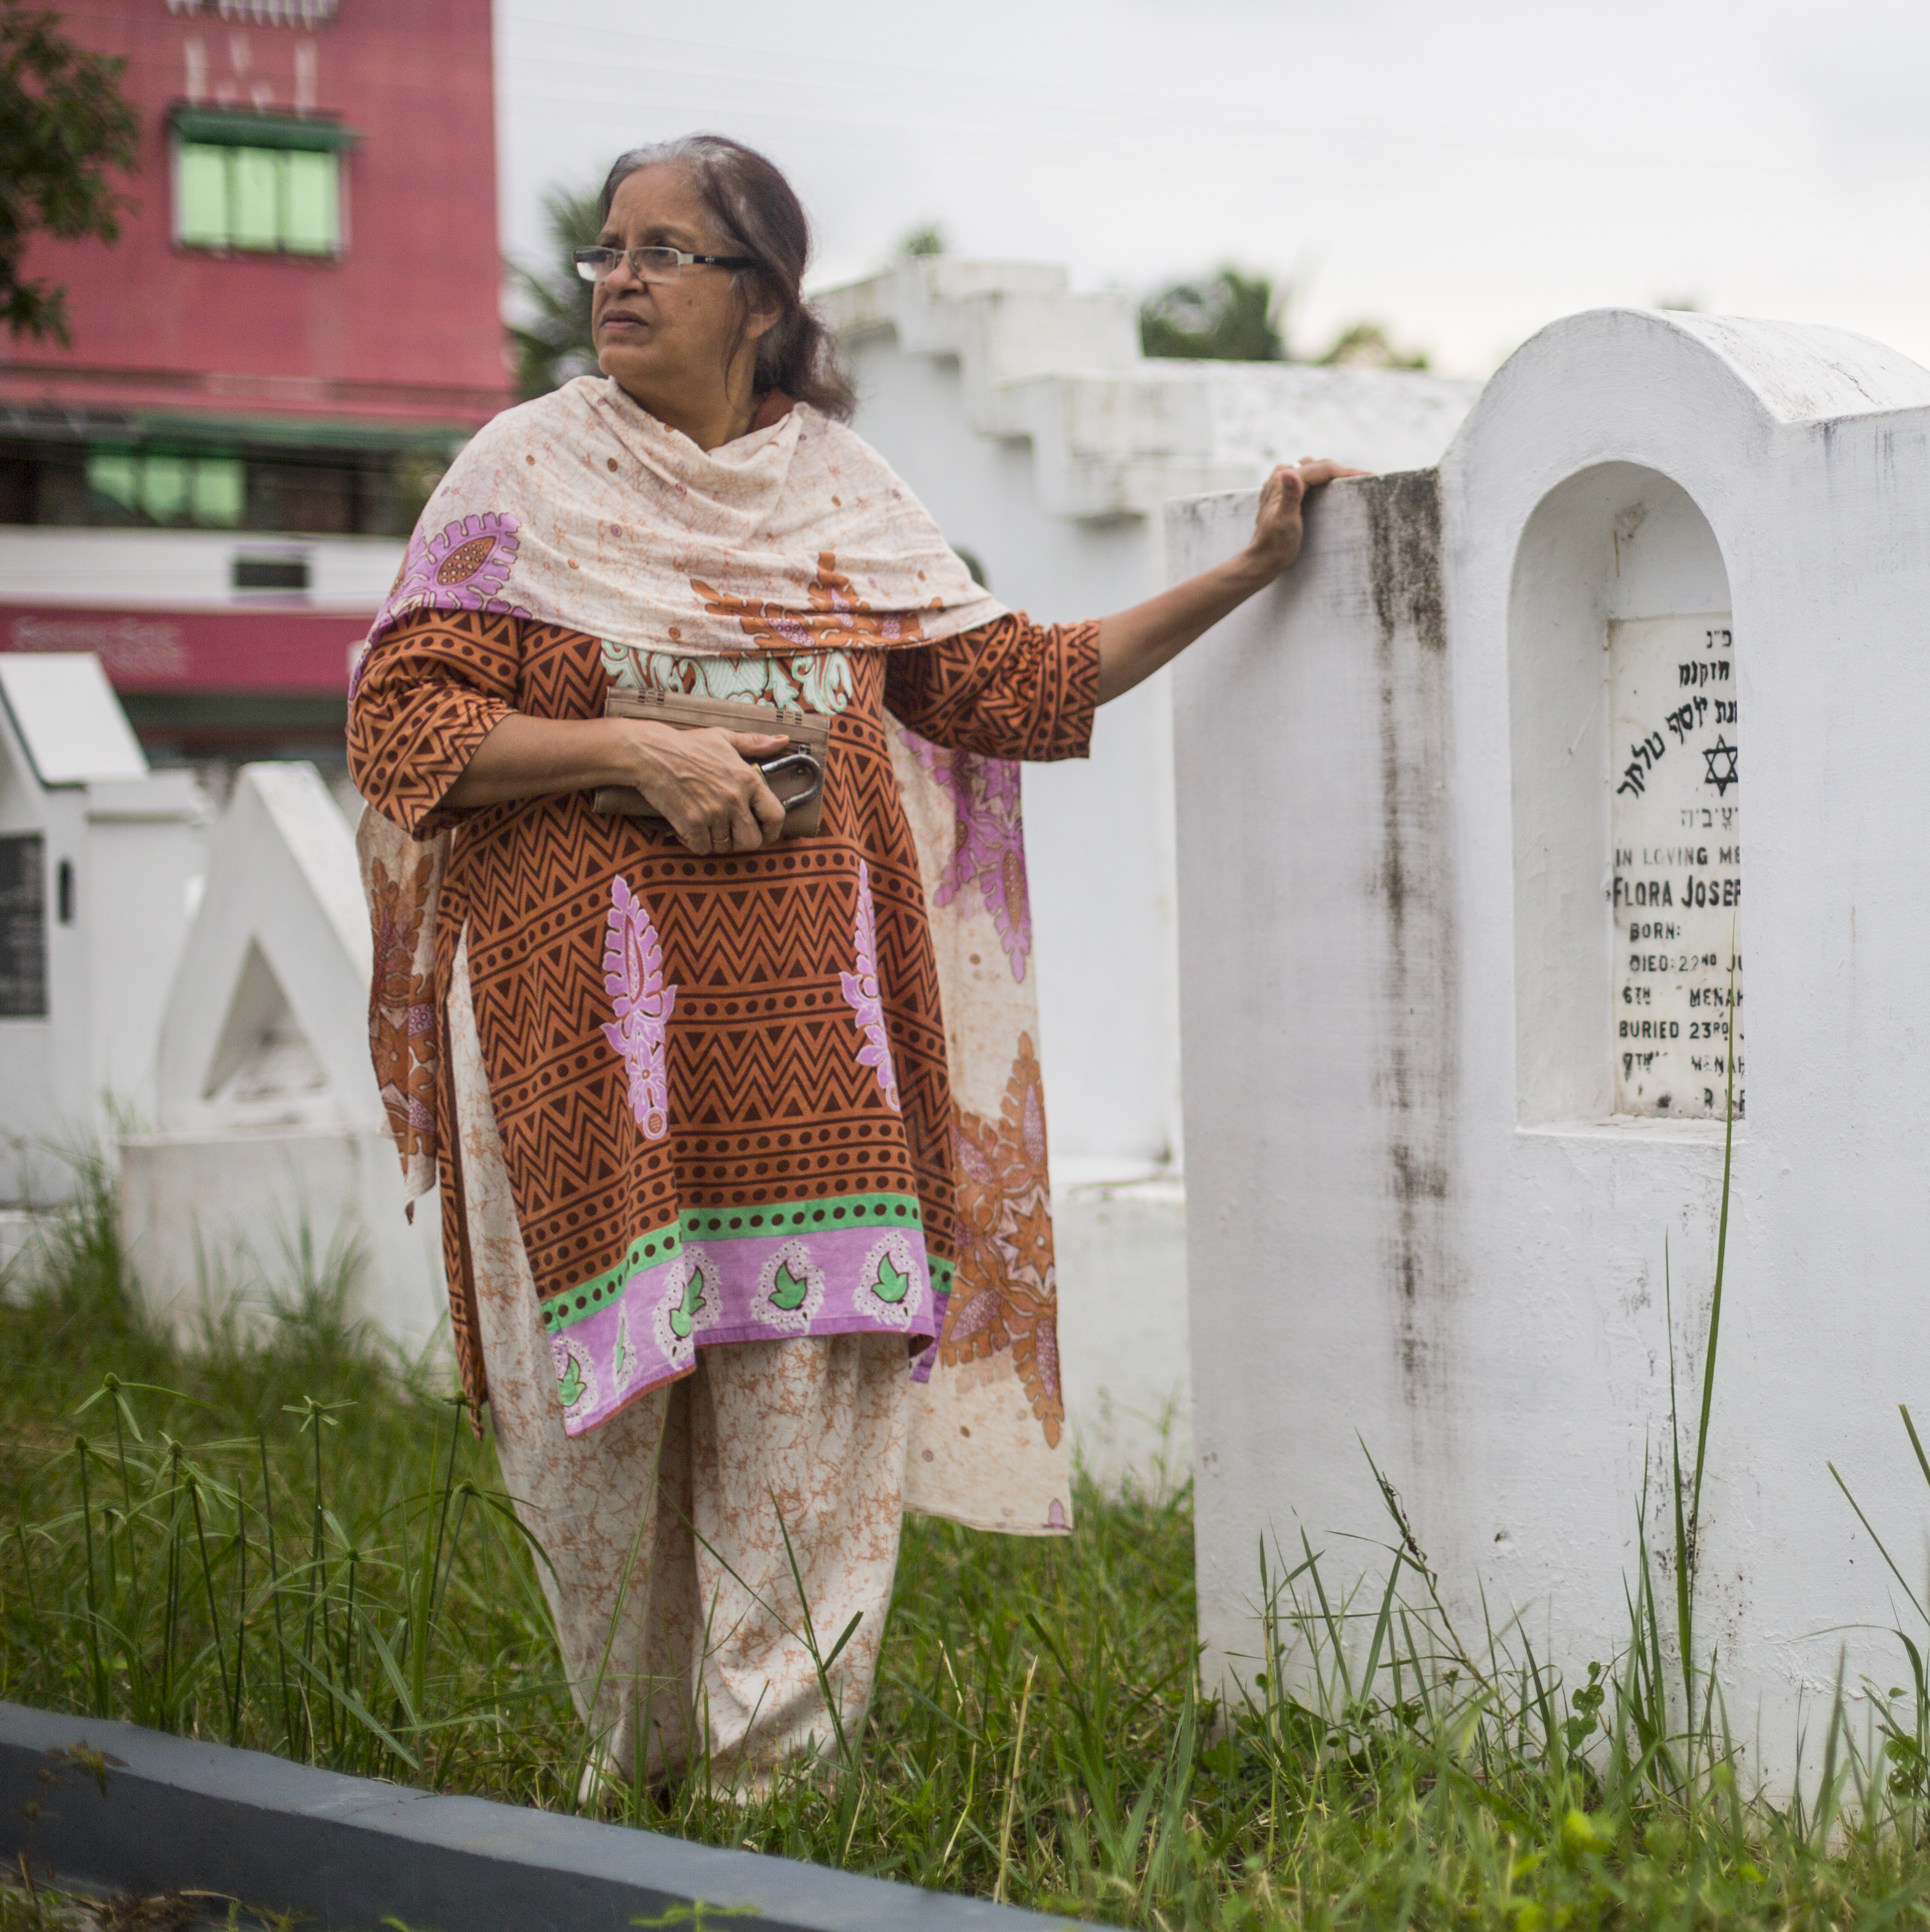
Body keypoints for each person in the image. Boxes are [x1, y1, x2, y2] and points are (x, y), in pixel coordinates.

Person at [346, 133, 1355, 1793]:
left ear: (763, 300)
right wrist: (634, 751)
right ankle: (643, 1788)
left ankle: (777, 1821)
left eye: (669, 252)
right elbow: (406, 725)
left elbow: (1016, 688)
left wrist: (1248, 574)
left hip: (827, 1074)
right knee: (602, 1468)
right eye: (609, 250)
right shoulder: (519, 480)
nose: (622, 281)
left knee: (810, 1449)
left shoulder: (843, 498)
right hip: (596, 1073)